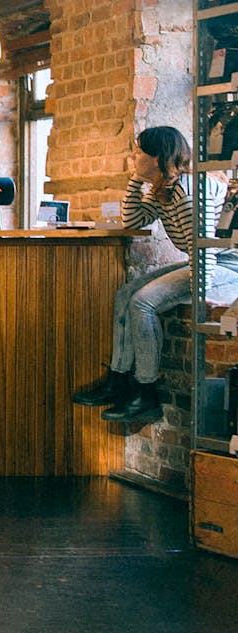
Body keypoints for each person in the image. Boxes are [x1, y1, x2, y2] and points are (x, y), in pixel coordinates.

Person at [73, 125, 238, 423]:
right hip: (203, 259)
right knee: (126, 293)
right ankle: (118, 380)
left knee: (142, 302)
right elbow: (133, 219)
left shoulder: (187, 195)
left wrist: (196, 292)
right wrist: (136, 180)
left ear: (159, 157)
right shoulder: (166, 189)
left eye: (139, 152)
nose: (133, 156)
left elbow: (205, 253)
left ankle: (145, 392)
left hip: (226, 265)